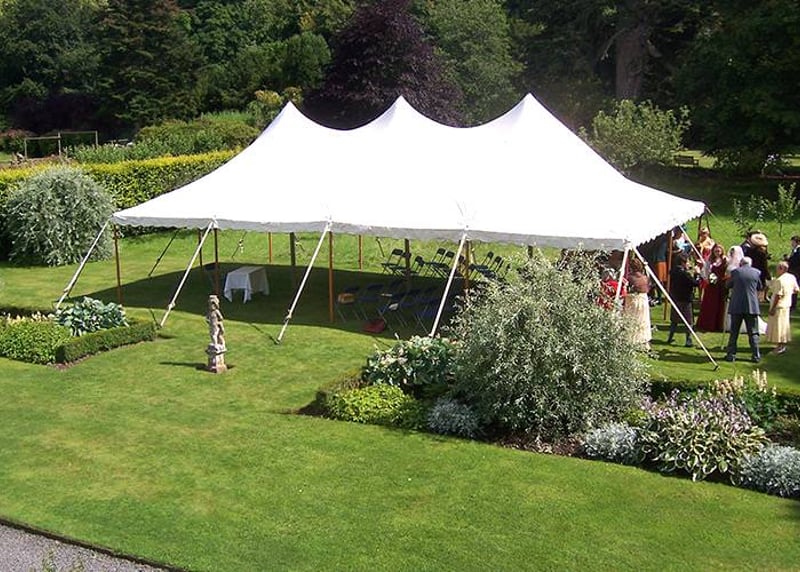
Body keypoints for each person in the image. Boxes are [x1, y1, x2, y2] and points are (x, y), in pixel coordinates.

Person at [724, 256, 763, 363]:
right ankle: (756, 355)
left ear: (741, 263)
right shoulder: (756, 272)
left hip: (737, 305)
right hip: (751, 306)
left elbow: (728, 285)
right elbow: (759, 286)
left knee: (734, 331)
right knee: (753, 332)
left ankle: (731, 354)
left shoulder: (736, 272)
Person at [766, 261, 800, 354]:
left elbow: (778, 295)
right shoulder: (791, 277)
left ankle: (780, 346)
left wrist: (773, 308)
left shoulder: (780, 280)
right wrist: (788, 293)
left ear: (781, 269)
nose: (776, 270)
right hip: (787, 305)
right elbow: (796, 290)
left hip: (779, 306)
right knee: (784, 325)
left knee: (779, 326)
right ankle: (781, 345)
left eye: (777, 268)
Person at [666, 253, 700, 347]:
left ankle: (670, 338)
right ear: (683, 262)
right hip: (685, 299)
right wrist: (697, 274)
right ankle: (688, 340)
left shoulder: (673, 271)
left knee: (674, 320)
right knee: (688, 321)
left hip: (675, 297)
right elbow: (695, 283)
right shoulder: (684, 274)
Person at [696, 243, 727, 332]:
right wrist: (708, 279)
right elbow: (705, 271)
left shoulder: (725, 260)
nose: (717, 252)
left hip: (721, 286)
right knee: (710, 304)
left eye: (719, 250)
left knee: (719, 305)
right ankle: (707, 324)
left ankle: (718, 325)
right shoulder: (710, 261)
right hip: (712, 286)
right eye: (716, 250)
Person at [623, 257, 652, 349]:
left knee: (632, 319)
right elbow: (648, 288)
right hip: (643, 300)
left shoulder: (629, 278)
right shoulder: (645, 277)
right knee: (643, 320)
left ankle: (631, 339)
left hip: (632, 300)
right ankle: (644, 341)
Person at [748, 231, 771, 298]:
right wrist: (768, 276)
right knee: (759, 291)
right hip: (760, 274)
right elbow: (764, 266)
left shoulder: (749, 251)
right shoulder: (762, 253)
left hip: (751, 273)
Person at [786, 234, 800, 310]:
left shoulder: (798, 251)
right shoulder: (794, 250)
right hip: (793, 271)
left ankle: (793, 304)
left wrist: (789, 259)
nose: (792, 244)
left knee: (794, 288)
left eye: (793, 242)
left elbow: (796, 260)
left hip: (796, 272)